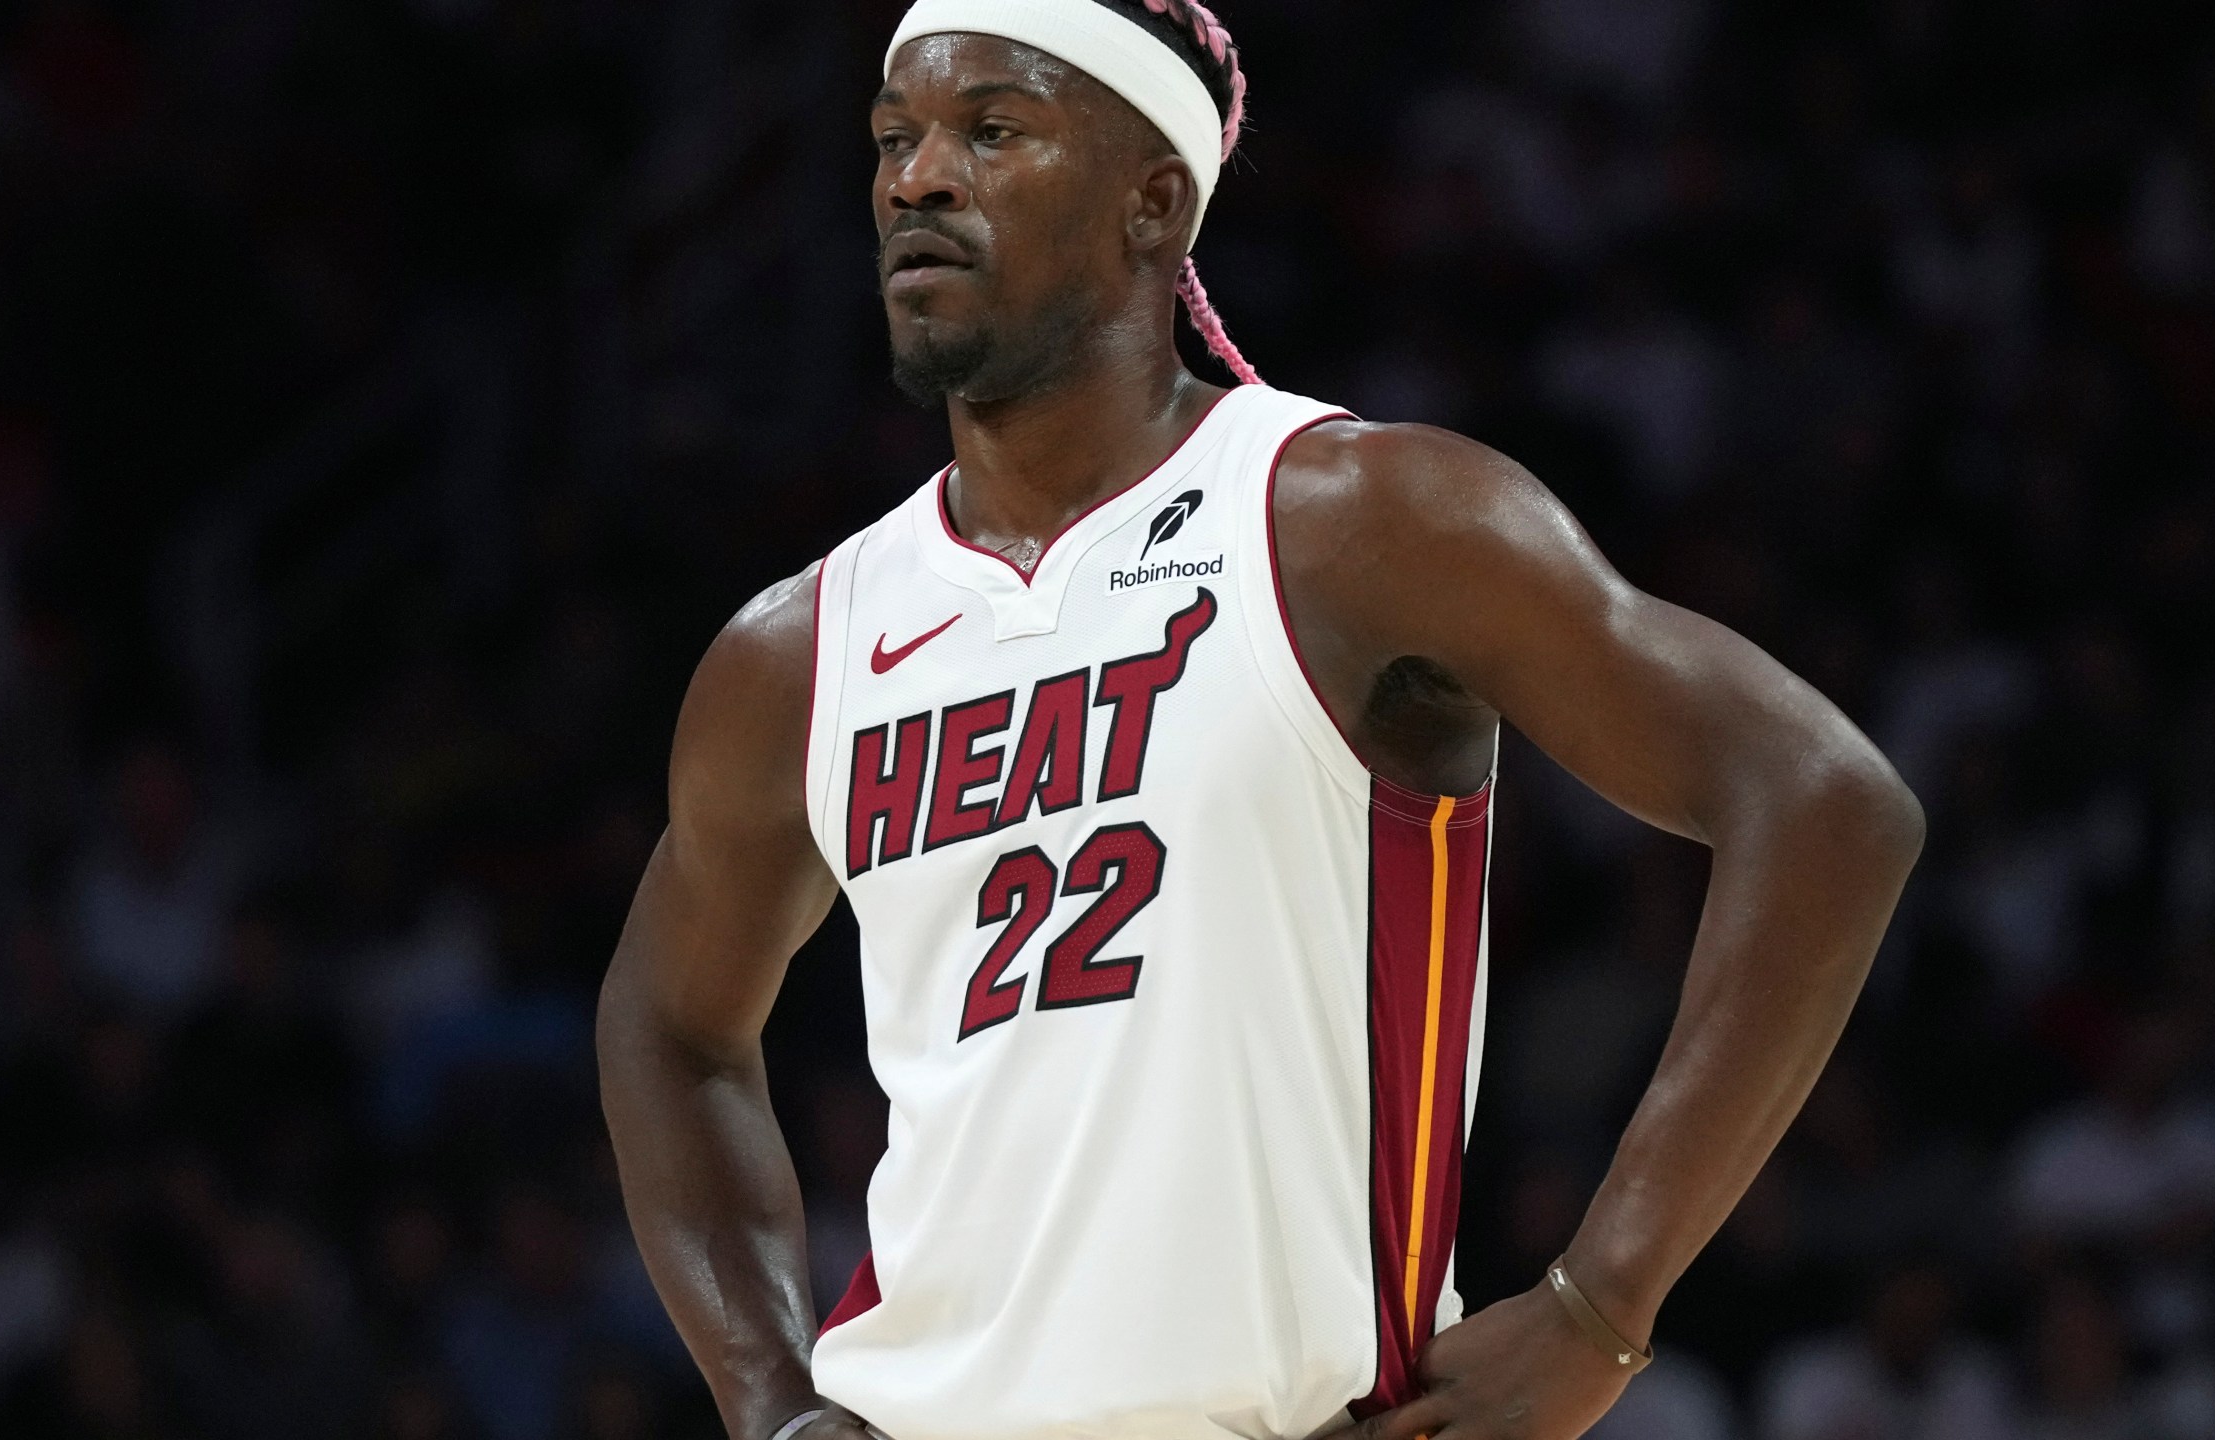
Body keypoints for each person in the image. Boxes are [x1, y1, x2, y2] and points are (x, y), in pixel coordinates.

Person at [596, 2, 1924, 1437]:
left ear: (1153, 204)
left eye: (993, 131)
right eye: (892, 137)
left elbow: (1824, 800)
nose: (916, 177)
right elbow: (667, 1023)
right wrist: (769, 1399)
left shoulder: (1352, 519)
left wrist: (1605, 1302)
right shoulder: (802, 647)